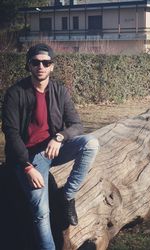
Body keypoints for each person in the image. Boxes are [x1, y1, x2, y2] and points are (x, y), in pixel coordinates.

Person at [2, 43, 99, 250]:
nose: (41, 66)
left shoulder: (59, 91)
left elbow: (77, 125)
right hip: (30, 156)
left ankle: (67, 196)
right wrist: (27, 167)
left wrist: (60, 137)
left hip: (54, 148)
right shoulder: (15, 93)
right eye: (36, 62)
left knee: (91, 143)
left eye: (46, 62)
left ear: (52, 66)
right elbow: (10, 133)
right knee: (41, 212)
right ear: (28, 65)